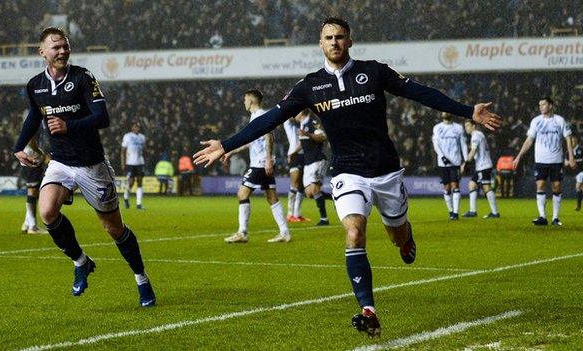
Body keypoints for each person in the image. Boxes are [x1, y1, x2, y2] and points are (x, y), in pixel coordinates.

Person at [193, 17, 501, 337]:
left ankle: (405, 240)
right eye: (329, 37)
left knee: (398, 236)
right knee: (354, 232)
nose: (335, 42)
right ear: (321, 43)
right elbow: (271, 118)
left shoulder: (374, 71)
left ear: (350, 41)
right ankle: (368, 310)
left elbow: (420, 93)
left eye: (340, 37)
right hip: (346, 171)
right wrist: (227, 144)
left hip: (386, 170)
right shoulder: (309, 86)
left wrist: (468, 111)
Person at [12, 27, 155, 307]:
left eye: (66, 46)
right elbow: (34, 116)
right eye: (56, 47)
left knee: (113, 228)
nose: (63, 50)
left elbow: (103, 117)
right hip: (60, 162)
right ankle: (81, 262)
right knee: (47, 211)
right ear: (42, 52)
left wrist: (69, 125)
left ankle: (142, 279)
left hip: (92, 166)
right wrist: (19, 146)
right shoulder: (35, 85)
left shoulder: (82, 77)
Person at [221, 89, 291, 243]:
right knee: (271, 197)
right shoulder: (255, 116)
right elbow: (251, 141)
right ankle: (285, 232)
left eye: (245, 99)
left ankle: (242, 232)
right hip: (262, 162)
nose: (244, 102)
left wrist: (267, 159)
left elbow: (269, 136)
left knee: (242, 194)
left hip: (260, 163)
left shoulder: (259, 115)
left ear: (251, 101)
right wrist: (231, 152)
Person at [513, 97, 575, 226]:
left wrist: (571, 157)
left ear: (551, 106)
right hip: (541, 160)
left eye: (543, 104)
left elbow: (568, 139)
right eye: (540, 105)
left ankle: (555, 218)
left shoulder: (559, 120)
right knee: (540, 185)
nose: (541, 107)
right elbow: (529, 140)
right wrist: (519, 156)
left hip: (556, 160)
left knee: (556, 186)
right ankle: (542, 216)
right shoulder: (536, 121)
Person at [296, 108, 332, 225]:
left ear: (301, 112)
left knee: (315, 189)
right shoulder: (302, 124)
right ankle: (334, 196)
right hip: (308, 162)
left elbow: (322, 137)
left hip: (317, 160)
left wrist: (307, 134)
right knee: (309, 193)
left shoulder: (312, 122)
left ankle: (324, 219)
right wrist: (292, 152)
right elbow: (303, 143)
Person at [432, 113, 468, 220]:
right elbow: (436, 144)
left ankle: (456, 213)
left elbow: (463, 144)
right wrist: (442, 156)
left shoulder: (458, 128)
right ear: (441, 115)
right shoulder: (437, 128)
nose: (445, 113)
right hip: (443, 163)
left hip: (455, 162)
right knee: (447, 188)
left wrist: (466, 161)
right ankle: (451, 212)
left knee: (455, 186)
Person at [462, 120, 500, 218]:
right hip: (481, 166)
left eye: (468, 125)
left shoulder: (476, 135)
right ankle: (472, 211)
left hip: (484, 166)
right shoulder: (478, 135)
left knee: (486, 187)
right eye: (465, 126)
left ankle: (495, 212)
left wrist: (465, 163)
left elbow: (473, 151)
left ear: (473, 126)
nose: (466, 128)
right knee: (472, 184)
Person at [20, 136, 48, 234]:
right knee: (33, 192)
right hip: (32, 159)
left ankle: (27, 224)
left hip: (28, 158)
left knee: (34, 193)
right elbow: (31, 139)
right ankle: (33, 227)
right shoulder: (36, 122)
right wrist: (39, 152)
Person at [282, 116, 308, 222]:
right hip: (294, 155)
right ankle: (289, 214)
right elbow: (288, 118)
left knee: (301, 185)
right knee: (294, 183)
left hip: (304, 155)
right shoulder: (288, 124)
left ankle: (297, 214)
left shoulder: (303, 125)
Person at [121, 121, 146, 209]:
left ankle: (139, 204)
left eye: (138, 127)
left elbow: (144, 150)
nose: (137, 128)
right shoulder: (127, 136)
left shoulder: (142, 137)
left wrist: (144, 161)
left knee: (140, 182)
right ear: (132, 128)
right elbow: (123, 151)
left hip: (140, 163)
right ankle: (126, 197)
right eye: (135, 127)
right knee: (131, 183)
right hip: (130, 163)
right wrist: (123, 163)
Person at [572, 137, 582, 211]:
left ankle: (578, 204)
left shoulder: (581, 149)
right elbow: (566, 163)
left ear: (576, 140)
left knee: (578, 187)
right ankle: (579, 204)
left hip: (581, 171)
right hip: (577, 172)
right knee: (580, 188)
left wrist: (575, 161)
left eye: (573, 140)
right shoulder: (569, 151)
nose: (572, 142)